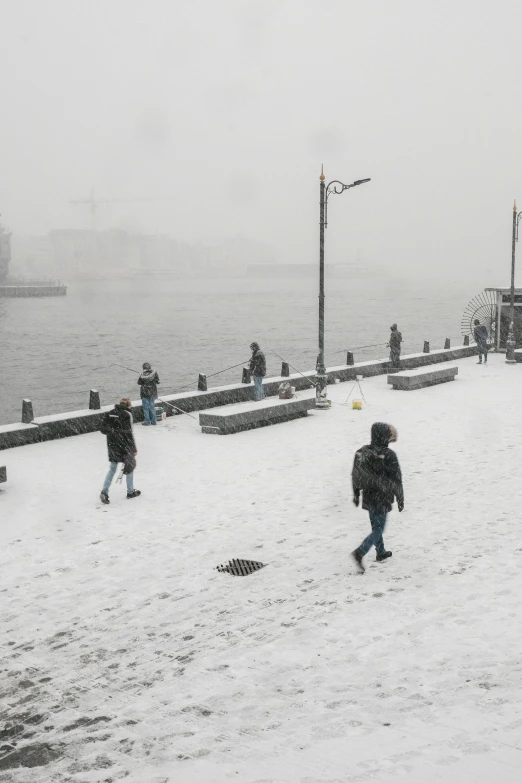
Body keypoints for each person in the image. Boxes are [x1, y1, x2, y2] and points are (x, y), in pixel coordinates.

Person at [351, 422, 404, 573]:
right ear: (386, 436)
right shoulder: (389, 455)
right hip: (383, 496)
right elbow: (397, 479)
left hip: (368, 496)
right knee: (379, 529)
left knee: (376, 526)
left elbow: (355, 475)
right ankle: (360, 552)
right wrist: (400, 498)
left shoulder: (361, 452)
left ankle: (380, 552)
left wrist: (356, 494)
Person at [100, 398, 141, 503]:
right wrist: (133, 449)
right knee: (129, 467)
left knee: (112, 469)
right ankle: (130, 491)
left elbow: (103, 429)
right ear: (128, 406)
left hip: (112, 445)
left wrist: (113, 432)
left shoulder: (109, 413)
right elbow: (129, 433)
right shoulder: (127, 415)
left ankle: (104, 492)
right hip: (125, 445)